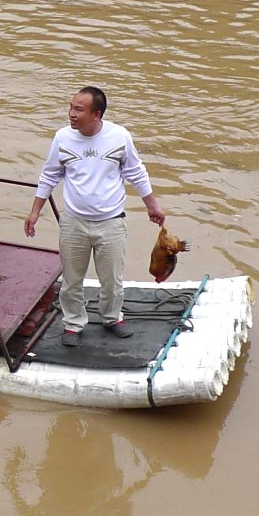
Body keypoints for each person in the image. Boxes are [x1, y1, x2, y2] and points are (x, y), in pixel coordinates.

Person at [23, 86, 167, 342]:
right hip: (74, 222)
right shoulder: (62, 138)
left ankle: (112, 317)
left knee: (112, 280)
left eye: (78, 109)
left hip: (111, 222)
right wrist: (35, 211)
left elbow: (136, 172)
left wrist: (152, 205)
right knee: (72, 279)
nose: (71, 114)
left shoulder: (119, 137)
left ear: (97, 114)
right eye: (70, 107)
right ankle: (73, 324)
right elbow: (50, 174)